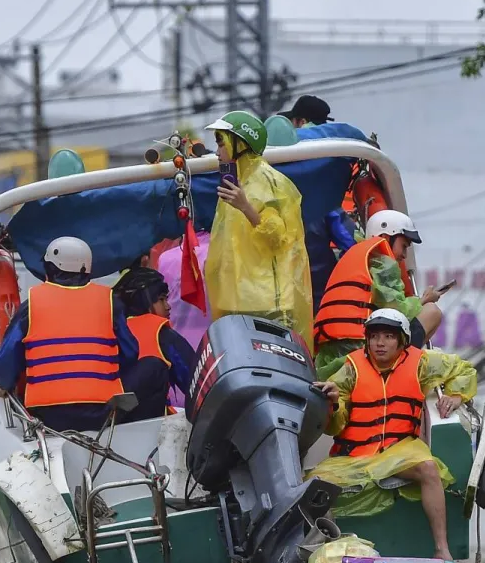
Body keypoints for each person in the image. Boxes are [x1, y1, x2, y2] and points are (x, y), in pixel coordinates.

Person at [310, 309, 478, 563]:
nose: (380, 343)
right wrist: (332, 403)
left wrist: (456, 395)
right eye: (374, 337)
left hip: (399, 450)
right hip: (356, 455)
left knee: (428, 468)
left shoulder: (422, 363)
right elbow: (335, 425)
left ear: (402, 341)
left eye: (388, 336)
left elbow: (462, 369)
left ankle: (442, 551)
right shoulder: (351, 368)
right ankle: (324, 555)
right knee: (314, 485)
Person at [0, 236, 139, 432]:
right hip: (102, 413)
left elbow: (6, 362)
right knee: (153, 367)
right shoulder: (111, 302)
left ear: (51, 268)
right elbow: (130, 353)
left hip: (48, 416)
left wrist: (4, 383)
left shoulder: (31, 306)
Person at [202, 110, 314, 343]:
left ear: (239, 143)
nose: (217, 152)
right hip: (236, 303)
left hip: (267, 306)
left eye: (221, 143)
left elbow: (278, 238)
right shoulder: (237, 183)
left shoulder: (270, 182)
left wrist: (246, 207)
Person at [312, 209, 445, 379]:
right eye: (403, 246)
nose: (404, 255)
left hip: (331, 356)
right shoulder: (382, 263)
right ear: (386, 237)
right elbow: (398, 311)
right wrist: (424, 300)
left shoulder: (354, 256)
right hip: (360, 350)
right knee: (432, 311)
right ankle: (403, 369)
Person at [114, 267, 197, 419]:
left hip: (108, 420)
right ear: (144, 301)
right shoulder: (161, 333)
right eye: (161, 299)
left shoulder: (109, 328)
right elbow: (195, 384)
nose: (168, 305)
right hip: (149, 425)